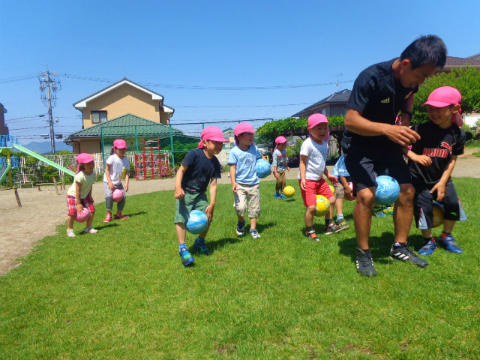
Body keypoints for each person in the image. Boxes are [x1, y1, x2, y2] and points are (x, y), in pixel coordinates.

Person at [342, 35, 447, 277]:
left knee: (407, 191)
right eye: (422, 75)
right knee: (367, 195)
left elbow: (409, 94)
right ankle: (363, 253)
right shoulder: (371, 77)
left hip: (387, 143)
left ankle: (400, 247)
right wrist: (388, 128)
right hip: (359, 144)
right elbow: (350, 121)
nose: (422, 81)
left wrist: (406, 116)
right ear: (406, 63)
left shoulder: (411, 80)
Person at [405, 86, 467, 255]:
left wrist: (442, 183)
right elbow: (400, 145)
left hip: (442, 179)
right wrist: (414, 156)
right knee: (423, 208)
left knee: (453, 205)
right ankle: (428, 240)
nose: (433, 112)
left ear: (454, 109)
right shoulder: (420, 129)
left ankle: (447, 236)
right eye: (430, 108)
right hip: (419, 179)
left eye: (439, 109)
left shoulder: (458, 134)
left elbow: (452, 161)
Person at [174, 126, 228, 266]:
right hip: (185, 193)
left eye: (221, 143)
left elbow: (214, 184)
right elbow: (181, 170)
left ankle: (200, 242)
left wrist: (212, 204)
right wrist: (178, 187)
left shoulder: (215, 163)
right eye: (215, 142)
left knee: (208, 217)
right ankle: (183, 249)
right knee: (181, 219)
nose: (219, 146)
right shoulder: (194, 154)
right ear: (205, 142)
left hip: (200, 195)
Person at [299, 114, 339, 242]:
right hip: (309, 180)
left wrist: (328, 175)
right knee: (311, 207)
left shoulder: (325, 144)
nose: (322, 131)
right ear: (310, 130)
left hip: (319, 179)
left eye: (325, 128)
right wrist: (303, 178)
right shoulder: (307, 144)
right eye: (319, 128)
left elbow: (322, 163)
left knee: (332, 199)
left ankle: (328, 224)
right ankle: (310, 230)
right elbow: (302, 162)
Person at [229, 123, 263, 239]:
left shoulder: (254, 148)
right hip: (240, 184)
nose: (251, 137)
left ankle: (253, 229)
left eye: (252, 134)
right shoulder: (234, 151)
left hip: (253, 184)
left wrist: (265, 166)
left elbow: (260, 157)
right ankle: (241, 222)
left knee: (254, 209)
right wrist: (233, 182)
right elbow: (232, 167)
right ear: (239, 136)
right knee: (241, 208)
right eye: (248, 134)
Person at [66, 153, 98, 237]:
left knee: (92, 210)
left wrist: (90, 196)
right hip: (73, 196)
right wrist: (79, 204)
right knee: (72, 213)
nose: (91, 165)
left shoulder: (92, 174)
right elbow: (77, 191)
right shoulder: (80, 176)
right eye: (88, 164)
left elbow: (90, 185)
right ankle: (70, 230)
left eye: (92, 163)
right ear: (82, 165)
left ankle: (88, 227)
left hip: (84, 196)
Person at [103, 139, 130, 222]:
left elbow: (126, 173)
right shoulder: (112, 158)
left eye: (124, 149)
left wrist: (126, 184)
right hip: (108, 181)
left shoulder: (126, 160)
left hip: (118, 183)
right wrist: (110, 182)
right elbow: (107, 170)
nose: (122, 150)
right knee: (109, 196)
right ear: (115, 149)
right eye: (120, 149)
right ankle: (108, 213)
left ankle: (118, 214)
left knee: (123, 197)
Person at [330, 154, 353, 231]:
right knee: (340, 191)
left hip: (349, 176)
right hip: (337, 177)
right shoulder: (346, 156)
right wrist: (346, 187)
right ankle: (340, 218)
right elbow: (341, 175)